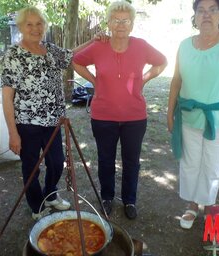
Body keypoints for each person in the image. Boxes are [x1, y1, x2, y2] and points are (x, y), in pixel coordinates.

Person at [72, 0, 167, 220]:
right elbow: (76, 61)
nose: (121, 24)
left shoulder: (141, 46)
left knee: (131, 161)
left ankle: (129, 200)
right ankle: (106, 197)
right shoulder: (98, 46)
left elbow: (161, 61)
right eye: (116, 20)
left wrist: (144, 79)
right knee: (105, 159)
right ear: (109, 23)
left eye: (126, 20)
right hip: (103, 116)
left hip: (134, 117)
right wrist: (94, 81)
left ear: (132, 24)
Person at [1, 6, 94, 221]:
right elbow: (7, 98)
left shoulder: (50, 50)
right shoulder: (14, 55)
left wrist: (94, 40)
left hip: (53, 121)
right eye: (29, 24)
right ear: (21, 27)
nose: (35, 28)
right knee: (31, 168)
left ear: (45, 26)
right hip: (27, 123)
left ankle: (50, 194)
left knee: (56, 162)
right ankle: (36, 206)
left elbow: (72, 54)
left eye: (39, 23)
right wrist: (13, 133)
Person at [167, 0, 219, 229]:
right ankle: (193, 205)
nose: (206, 15)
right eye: (201, 10)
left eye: (213, 10)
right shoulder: (184, 45)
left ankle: (210, 205)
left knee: (213, 165)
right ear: (194, 15)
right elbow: (176, 81)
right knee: (190, 162)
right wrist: (169, 112)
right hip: (189, 116)